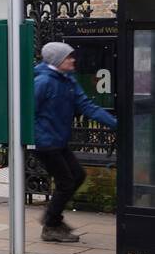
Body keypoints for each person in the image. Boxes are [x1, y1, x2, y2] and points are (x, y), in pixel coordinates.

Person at [33, 41, 117, 242]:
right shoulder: (43, 81)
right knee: (67, 181)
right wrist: (35, 137)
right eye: (68, 57)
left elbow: (87, 106)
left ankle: (52, 219)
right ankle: (51, 225)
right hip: (45, 142)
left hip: (58, 140)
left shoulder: (67, 80)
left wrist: (115, 123)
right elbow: (28, 112)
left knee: (77, 176)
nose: (73, 60)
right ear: (57, 60)